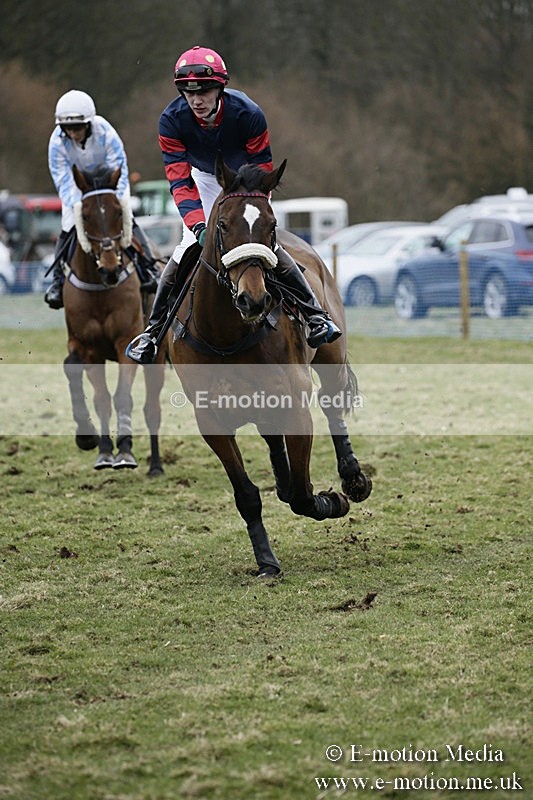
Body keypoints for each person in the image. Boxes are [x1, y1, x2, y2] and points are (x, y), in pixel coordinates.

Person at [125, 45, 340, 364]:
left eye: (205, 91)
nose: (196, 100)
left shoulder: (248, 113)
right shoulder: (171, 121)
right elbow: (180, 181)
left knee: (269, 246)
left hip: (249, 182)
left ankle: (315, 316)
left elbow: (264, 168)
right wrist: (198, 225)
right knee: (185, 251)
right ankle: (153, 334)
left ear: (220, 89)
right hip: (206, 180)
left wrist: (253, 211)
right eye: (188, 91)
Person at [45, 89, 159, 309]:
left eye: (77, 128)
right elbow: (62, 178)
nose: (73, 134)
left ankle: (148, 270)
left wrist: (116, 200)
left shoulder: (106, 132)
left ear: (88, 123)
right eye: (67, 129)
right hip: (79, 189)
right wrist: (79, 205)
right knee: (69, 223)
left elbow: (119, 166)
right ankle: (57, 282)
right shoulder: (56, 143)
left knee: (126, 217)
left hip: (109, 184)